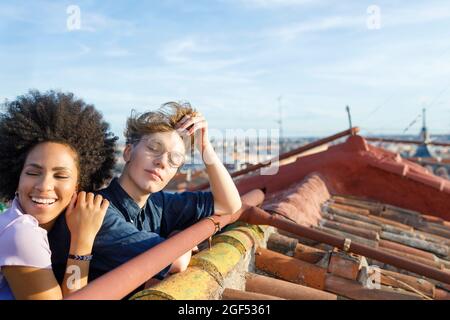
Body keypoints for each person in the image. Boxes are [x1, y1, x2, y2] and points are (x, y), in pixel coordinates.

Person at [49, 102, 242, 286]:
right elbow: (176, 260)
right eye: (153, 148)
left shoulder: (159, 204)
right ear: (127, 152)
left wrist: (205, 147)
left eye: (174, 160)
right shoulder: (98, 211)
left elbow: (229, 205)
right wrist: (178, 241)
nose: (162, 162)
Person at [0, 90, 117, 299]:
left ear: (78, 186)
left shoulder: (12, 221)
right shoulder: (21, 233)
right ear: (17, 177)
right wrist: (82, 241)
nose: (44, 185)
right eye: (33, 172)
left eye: (61, 176)